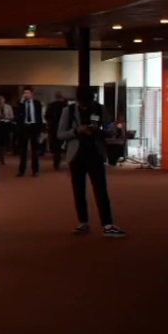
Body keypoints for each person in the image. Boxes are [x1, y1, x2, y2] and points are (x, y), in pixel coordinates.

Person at [58, 86, 126, 238]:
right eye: (83, 103)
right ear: (77, 100)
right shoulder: (68, 111)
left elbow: (110, 129)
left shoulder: (100, 109)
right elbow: (60, 134)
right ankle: (83, 222)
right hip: (76, 156)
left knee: (101, 190)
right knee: (79, 191)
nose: (85, 105)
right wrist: (76, 131)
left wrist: (100, 131)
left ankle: (107, 225)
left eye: (88, 102)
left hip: (96, 154)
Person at [15, 86, 44, 177]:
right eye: (24, 93)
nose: (26, 94)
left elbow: (40, 117)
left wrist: (41, 130)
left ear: (31, 94)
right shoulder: (22, 104)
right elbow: (17, 114)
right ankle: (21, 171)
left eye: (27, 93)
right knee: (23, 151)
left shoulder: (37, 103)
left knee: (35, 151)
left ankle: (35, 171)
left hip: (34, 127)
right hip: (24, 127)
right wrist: (21, 102)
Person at [46, 92, 69, 170]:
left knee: (56, 147)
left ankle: (56, 163)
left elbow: (46, 116)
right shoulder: (65, 106)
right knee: (61, 146)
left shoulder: (51, 106)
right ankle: (60, 161)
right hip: (63, 128)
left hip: (53, 128)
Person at [0, 95, 14, 165]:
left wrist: (6, 117)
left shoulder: (8, 107)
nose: (0, 100)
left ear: (4, 100)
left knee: (3, 142)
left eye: (2, 99)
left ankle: (2, 158)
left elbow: (12, 116)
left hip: (5, 125)